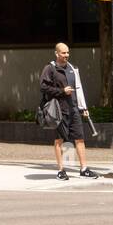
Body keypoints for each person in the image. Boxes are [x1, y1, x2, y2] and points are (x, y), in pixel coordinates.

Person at [39, 42, 97, 179]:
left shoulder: (72, 68)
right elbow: (43, 87)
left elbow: (79, 88)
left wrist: (83, 107)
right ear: (56, 53)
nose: (66, 55)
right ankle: (61, 170)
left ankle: (84, 169)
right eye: (63, 53)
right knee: (59, 140)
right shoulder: (50, 68)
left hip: (74, 109)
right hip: (59, 110)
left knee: (80, 139)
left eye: (67, 52)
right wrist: (61, 91)